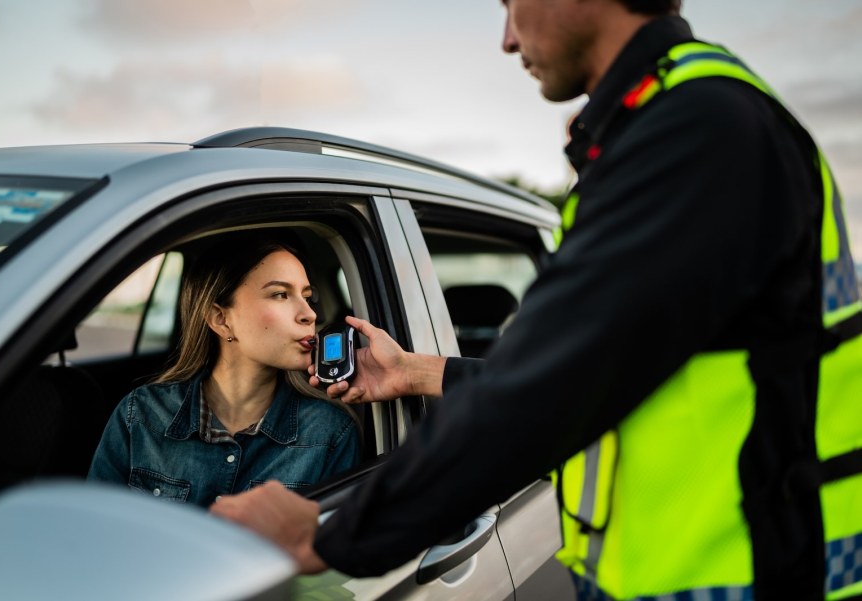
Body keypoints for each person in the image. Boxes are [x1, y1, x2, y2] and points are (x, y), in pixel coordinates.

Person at [210, 1, 862, 599]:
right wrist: (413, 371)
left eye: (508, 2)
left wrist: (322, 534)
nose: (505, 38)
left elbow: (541, 392)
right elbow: (595, 367)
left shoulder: (699, 130)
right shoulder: (678, 120)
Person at [88, 232, 361, 507]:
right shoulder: (141, 417)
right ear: (221, 319)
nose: (310, 314)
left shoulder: (330, 433)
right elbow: (95, 536)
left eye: (307, 296)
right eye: (280, 294)